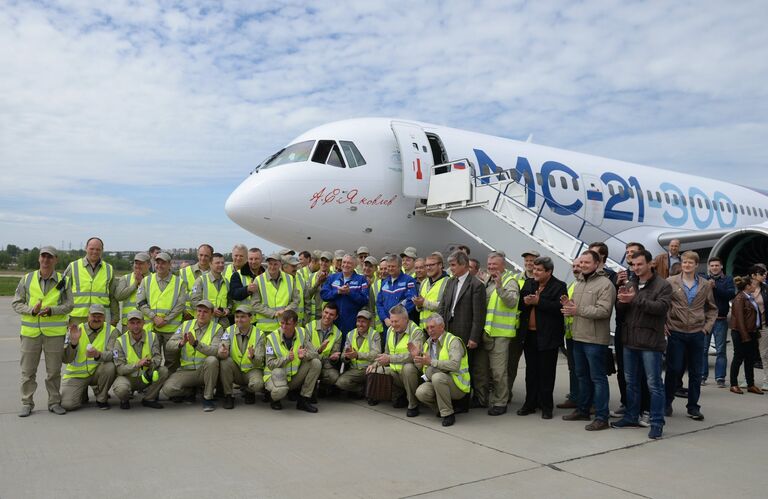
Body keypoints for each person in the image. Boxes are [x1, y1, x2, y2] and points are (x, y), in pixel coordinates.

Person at [611, 250, 672, 439]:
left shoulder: (663, 285)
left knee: (654, 384)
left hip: (650, 343)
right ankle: (631, 416)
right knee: (631, 382)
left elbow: (661, 308)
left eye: (639, 264)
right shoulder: (631, 283)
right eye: (633, 265)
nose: (636, 268)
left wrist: (635, 299)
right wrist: (620, 300)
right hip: (630, 341)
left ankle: (656, 422)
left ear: (650, 264)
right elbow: (623, 312)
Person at [12, 246, 73, 417]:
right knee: (28, 371)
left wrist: (52, 310)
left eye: (50, 257)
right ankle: (27, 402)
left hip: (54, 334)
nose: (46, 260)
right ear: (39, 259)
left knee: (53, 372)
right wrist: (31, 310)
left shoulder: (64, 281)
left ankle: (54, 402)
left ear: (56, 260)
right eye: (43, 256)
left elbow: (69, 305)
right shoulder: (27, 279)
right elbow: (16, 303)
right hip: (30, 334)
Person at [561, 250, 616, 431]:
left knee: (597, 378)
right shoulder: (579, 283)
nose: (582, 265)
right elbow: (578, 309)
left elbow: (604, 311)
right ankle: (583, 409)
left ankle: (602, 417)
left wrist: (577, 310)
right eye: (580, 262)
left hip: (594, 340)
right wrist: (568, 307)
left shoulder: (605, 284)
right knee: (582, 376)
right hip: (578, 337)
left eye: (586, 262)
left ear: (597, 263)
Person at [664, 251, 717, 420]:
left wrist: (706, 328)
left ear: (696, 265)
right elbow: (664, 304)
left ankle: (693, 406)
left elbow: (712, 308)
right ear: (681, 263)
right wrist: (664, 324)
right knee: (673, 369)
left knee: (696, 372)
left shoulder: (705, 285)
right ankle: (667, 403)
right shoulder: (670, 282)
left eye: (690, 263)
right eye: (684, 262)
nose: (687, 265)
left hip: (697, 333)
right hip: (676, 331)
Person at [518, 256, 567, 419]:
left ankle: (546, 407)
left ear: (549, 271)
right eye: (534, 269)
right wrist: (525, 302)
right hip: (529, 336)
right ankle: (530, 404)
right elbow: (519, 304)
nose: (535, 272)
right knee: (531, 372)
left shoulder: (559, 286)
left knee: (546, 373)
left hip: (548, 337)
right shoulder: (529, 283)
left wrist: (539, 301)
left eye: (539, 270)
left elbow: (560, 309)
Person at [437, 251, 487, 407]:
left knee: (465, 369)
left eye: (453, 265)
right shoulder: (450, 282)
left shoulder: (476, 285)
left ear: (464, 265)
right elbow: (443, 306)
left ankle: (464, 402)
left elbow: (479, 315)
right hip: (449, 332)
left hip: (465, 334)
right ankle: (452, 399)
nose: (450, 268)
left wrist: (474, 337)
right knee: (450, 366)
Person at [163, 300, 225, 412]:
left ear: (211, 314)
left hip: (204, 370)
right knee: (168, 389)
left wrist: (196, 344)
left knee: (212, 360)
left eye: (205, 312)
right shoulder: (185, 325)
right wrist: (181, 343)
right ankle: (190, 391)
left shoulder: (218, 328)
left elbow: (215, 351)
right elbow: (169, 345)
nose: (201, 314)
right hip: (186, 370)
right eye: (199, 311)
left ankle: (208, 397)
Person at [415, 314, 471, 426]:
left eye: (432, 327)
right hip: (439, 382)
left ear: (442, 326)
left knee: (437, 377)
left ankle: (448, 414)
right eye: (427, 328)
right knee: (420, 393)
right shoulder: (427, 343)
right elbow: (424, 369)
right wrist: (416, 358)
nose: (430, 330)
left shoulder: (453, 341)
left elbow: (455, 365)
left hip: (458, 385)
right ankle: (439, 410)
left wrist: (431, 362)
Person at [369, 305, 425, 416]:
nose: (393, 324)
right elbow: (387, 352)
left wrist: (390, 359)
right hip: (396, 372)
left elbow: (413, 356)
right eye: (392, 321)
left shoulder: (416, 332)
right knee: (378, 370)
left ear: (406, 319)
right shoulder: (390, 330)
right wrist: (375, 364)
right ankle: (397, 396)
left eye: (396, 321)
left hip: (413, 375)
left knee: (408, 368)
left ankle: (413, 405)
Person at [60, 304, 119, 411]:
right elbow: (65, 359)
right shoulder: (75, 330)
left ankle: (101, 398)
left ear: (104, 317)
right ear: (88, 316)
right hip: (77, 375)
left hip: (97, 373)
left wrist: (98, 354)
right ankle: (82, 393)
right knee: (68, 405)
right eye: (93, 316)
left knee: (110, 367)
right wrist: (73, 343)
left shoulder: (112, 331)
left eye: (100, 316)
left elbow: (115, 354)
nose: (96, 319)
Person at [483, 251, 520, 416]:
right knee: (487, 371)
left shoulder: (510, 281)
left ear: (503, 266)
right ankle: (487, 398)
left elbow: (512, 302)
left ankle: (500, 402)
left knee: (499, 371)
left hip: (501, 333)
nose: (491, 267)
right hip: (487, 331)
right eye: (489, 265)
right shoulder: (486, 280)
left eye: (495, 265)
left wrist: (500, 288)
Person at [136, 252, 187, 370]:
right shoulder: (146, 281)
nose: (159, 265)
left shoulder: (179, 282)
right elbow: (140, 302)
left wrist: (166, 320)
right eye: (157, 263)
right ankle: (152, 385)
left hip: (171, 330)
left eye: (163, 263)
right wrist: (154, 317)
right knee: (152, 359)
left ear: (170, 264)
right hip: (152, 328)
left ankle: (169, 387)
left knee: (172, 360)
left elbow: (180, 306)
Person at [263, 310, 321, 412]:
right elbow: (270, 364)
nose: (284, 327)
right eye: (282, 323)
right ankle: (273, 397)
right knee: (278, 375)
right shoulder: (271, 338)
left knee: (316, 362)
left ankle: (304, 400)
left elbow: (315, 354)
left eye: (288, 324)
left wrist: (304, 356)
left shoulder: (302, 333)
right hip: (275, 377)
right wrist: (287, 358)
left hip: (293, 378)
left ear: (295, 324)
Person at [112, 311, 169, 409]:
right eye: (132, 323)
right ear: (127, 325)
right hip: (128, 378)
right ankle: (125, 399)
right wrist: (137, 364)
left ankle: (149, 399)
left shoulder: (153, 336)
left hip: (146, 377)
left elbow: (158, 357)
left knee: (163, 371)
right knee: (122, 389)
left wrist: (151, 363)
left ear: (143, 323)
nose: (136, 326)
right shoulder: (119, 341)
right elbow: (120, 369)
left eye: (138, 322)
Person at [219, 305, 265, 408]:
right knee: (225, 362)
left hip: (251, 369)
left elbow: (259, 361)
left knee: (257, 384)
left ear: (251, 318)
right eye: (237, 317)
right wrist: (222, 352)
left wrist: (252, 357)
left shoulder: (260, 334)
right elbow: (223, 346)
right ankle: (228, 395)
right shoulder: (229, 330)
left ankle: (249, 391)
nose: (239, 320)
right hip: (236, 370)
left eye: (243, 317)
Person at [66, 237, 118, 325]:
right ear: (86, 248)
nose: (95, 252)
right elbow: (63, 293)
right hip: (77, 318)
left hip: (100, 317)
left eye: (98, 249)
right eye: (92, 249)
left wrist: (115, 316)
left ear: (102, 251)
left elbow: (112, 296)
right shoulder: (73, 266)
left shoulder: (109, 269)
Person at [702, 257, 736, 387]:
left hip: (721, 319)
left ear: (721, 267)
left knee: (721, 350)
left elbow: (730, 295)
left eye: (717, 265)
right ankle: (702, 376)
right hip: (705, 320)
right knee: (703, 350)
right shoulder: (703, 279)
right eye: (712, 265)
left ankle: (720, 377)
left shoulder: (727, 280)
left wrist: (715, 287)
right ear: (709, 267)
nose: (714, 267)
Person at [320, 254, 370, 339]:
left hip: (352, 321)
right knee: (333, 346)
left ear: (355, 265)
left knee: (348, 347)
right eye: (344, 262)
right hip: (334, 321)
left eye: (349, 263)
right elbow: (323, 295)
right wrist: (337, 292)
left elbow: (365, 299)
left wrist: (350, 292)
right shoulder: (332, 278)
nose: (345, 265)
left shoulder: (361, 279)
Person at [335, 310, 381, 401]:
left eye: (363, 322)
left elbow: (376, 354)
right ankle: (362, 390)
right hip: (354, 370)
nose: (360, 324)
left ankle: (371, 391)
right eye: (358, 321)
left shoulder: (375, 335)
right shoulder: (350, 334)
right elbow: (343, 356)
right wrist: (347, 356)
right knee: (340, 383)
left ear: (369, 323)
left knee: (377, 372)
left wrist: (357, 355)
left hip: (370, 369)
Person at [729, 276, 763, 395]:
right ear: (748, 286)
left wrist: (756, 330)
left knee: (750, 359)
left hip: (751, 332)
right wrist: (745, 336)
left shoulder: (750, 297)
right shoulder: (740, 299)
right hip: (741, 333)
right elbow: (739, 319)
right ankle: (733, 384)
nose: (755, 286)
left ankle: (751, 384)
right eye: (753, 284)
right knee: (738, 358)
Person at [251, 253, 301, 332]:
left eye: (275, 264)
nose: (272, 267)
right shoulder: (258, 280)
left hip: (285, 328)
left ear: (280, 265)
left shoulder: (289, 279)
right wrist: (273, 313)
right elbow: (255, 304)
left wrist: (286, 311)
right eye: (270, 264)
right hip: (265, 329)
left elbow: (296, 300)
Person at [376, 254, 418, 343]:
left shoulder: (409, 281)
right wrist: (385, 319)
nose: (390, 269)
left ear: (399, 266)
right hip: (387, 324)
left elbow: (411, 301)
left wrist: (396, 318)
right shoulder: (384, 283)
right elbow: (379, 303)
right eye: (388, 266)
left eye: (393, 266)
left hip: (403, 325)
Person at [557, 259, 580, 410]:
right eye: (574, 266)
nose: (576, 268)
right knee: (573, 368)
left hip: (582, 335)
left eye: (579, 265)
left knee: (583, 370)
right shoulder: (573, 285)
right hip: (571, 334)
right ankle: (575, 396)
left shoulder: (586, 285)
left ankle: (585, 400)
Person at [304, 302, 343, 390]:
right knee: (313, 364)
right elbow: (306, 351)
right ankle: (307, 391)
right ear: (322, 312)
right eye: (326, 312)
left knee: (333, 376)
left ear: (336, 317)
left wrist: (334, 358)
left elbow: (334, 353)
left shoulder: (338, 333)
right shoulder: (309, 327)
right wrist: (319, 350)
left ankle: (322, 387)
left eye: (331, 314)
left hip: (326, 362)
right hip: (310, 361)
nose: (327, 316)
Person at [190, 252, 231, 328]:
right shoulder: (200, 281)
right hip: (205, 324)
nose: (221, 265)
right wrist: (211, 310)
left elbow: (230, 302)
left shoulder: (226, 282)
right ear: (210, 264)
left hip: (223, 324)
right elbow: (193, 302)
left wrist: (227, 310)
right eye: (217, 263)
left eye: (222, 263)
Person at [113, 252, 151, 330]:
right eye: (136, 263)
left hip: (147, 323)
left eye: (141, 263)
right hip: (128, 322)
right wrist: (135, 284)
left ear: (149, 265)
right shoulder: (126, 278)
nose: (138, 266)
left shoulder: (154, 279)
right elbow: (118, 296)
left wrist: (142, 283)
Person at [229, 247, 266, 323]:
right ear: (247, 259)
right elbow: (233, 294)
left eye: (256, 259)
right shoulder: (237, 275)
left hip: (262, 319)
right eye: (251, 259)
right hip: (243, 319)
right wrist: (247, 290)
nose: (253, 261)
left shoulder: (267, 276)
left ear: (262, 259)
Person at [179, 243, 214, 318]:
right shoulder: (184, 272)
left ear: (211, 257)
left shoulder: (216, 274)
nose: (203, 258)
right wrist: (184, 311)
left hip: (209, 316)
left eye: (206, 256)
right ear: (197, 255)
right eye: (201, 255)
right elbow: (179, 295)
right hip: (188, 315)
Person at [414, 252, 449, 324]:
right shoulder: (424, 282)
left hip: (439, 329)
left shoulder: (448, 282)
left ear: (440, 265)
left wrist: (424, 303)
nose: (428, 268)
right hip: (424, 328)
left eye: (432, 265)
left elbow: (446, 307)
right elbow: (419, 309)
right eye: (426, 265)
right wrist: (418, 305)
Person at [750, 264, 768, 390]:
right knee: (748, 354)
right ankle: (748, 380)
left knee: (765, 354)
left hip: (763, 325)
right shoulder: (745, 288)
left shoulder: (766, 288)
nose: (764, 276)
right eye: (761, 274)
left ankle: (766, 380)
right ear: (753, 276)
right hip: (749, 327)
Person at [305, 251, 333, 323]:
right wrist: (318, 283)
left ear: (331, 263)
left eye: (326, 261)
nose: (323, 263)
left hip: (328, 315)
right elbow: (307, 295)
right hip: (313, 315)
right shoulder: (312, 276)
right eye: (322, 260)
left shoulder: (335, 277)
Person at [224, 244, 250, 311]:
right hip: (227, 313)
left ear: (247, 257)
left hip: (245, 314)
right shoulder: (223, 271)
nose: (238, 258)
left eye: (241, 256)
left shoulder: (252, 273)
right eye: (236, 255)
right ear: (232, 256)